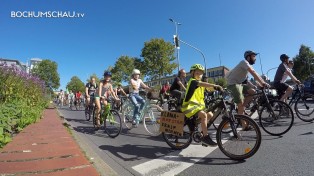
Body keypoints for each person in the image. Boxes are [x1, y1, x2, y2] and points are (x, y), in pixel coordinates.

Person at [181, 64, 223, 146]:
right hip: (189, 107)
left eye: (201, 73)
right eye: (197, 73)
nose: (199, 75)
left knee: (210, 114)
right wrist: (215, 85)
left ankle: (200, 133)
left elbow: (209, 89)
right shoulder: (192, 81)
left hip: (197, 107)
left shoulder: (200, 85)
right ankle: (205, 137)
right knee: (204, 115)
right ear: (192, 73)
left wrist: (220, 88)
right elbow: (203, 84)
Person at [226, 50, 269, 117]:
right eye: (253, 56)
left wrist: (256, 85)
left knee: (253, 91)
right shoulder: (244, 62)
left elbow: (248, 80)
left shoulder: (247, 66)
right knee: (240, 104)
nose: (255, 58)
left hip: (239, 84)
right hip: (232, 84)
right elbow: (253, 73)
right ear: (248, 57)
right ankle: (244, 125)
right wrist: (263, 83)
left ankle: (242, 107)